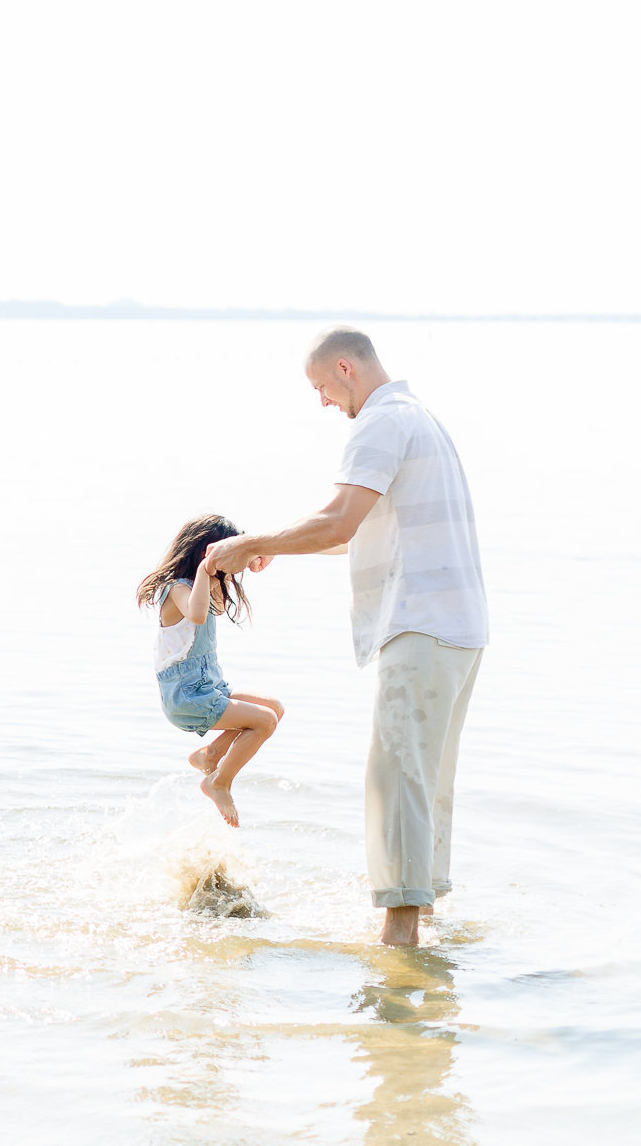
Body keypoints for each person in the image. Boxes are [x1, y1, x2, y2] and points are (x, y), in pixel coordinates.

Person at [207, 327, 487, 946]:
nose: (324, 402)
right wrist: (279, 546)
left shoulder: (382, 422)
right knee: (427, 773)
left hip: (422, 622)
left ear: (345, 368)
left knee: (396, 774)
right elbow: (366, 532)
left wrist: (253, 542)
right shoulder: (422, 419)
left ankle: (400, 937)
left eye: (322, 388)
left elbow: (339, 522)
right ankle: (426, 923)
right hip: (459, 627)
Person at [137, 514, 284, 827]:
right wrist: (207, 569)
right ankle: (218, 782)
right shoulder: (176, 588)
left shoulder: (202, 584)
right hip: (188, 695)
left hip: (207, 687)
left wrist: (251, 557)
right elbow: (199, 614)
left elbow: (214, 604)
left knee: (273, 708)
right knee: (264, 722)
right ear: (205, 552)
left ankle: (211, 755)